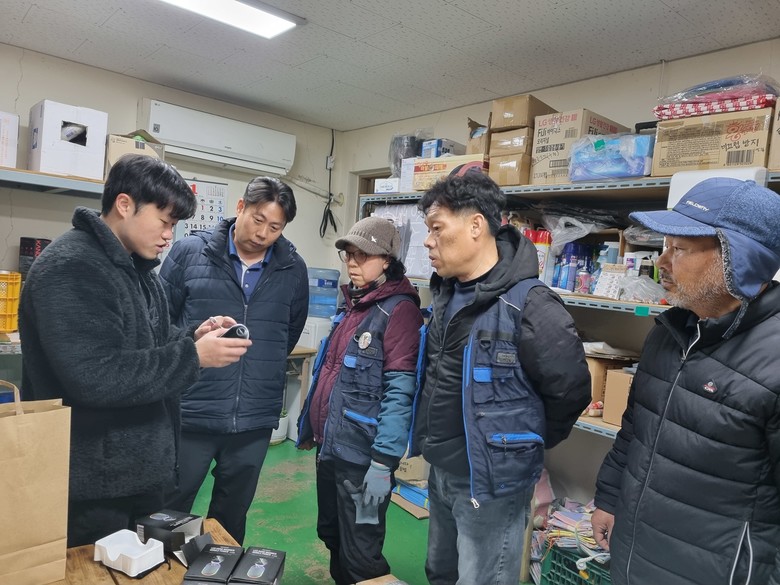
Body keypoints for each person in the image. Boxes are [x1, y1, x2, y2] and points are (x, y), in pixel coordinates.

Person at [18, 154, 251, 547]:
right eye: (164, 221)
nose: (169, 236)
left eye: (174, 225)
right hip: (91, 487)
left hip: (136, 476)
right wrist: (194, 357)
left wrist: (192, 337)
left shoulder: (138, 270)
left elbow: (148, 345)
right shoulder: (73, 267)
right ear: (124, 205)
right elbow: (96, 376)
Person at [592, 177, 780, 585]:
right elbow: (635, 429)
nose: (662, 262)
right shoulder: (671, 331)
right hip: (634, 555)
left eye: (678, 249)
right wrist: (608, 497)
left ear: (737, 259)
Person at [409, 171, 591, 585]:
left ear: (476, 226)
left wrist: (518, 446)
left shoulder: (530, 304)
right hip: (441, 470)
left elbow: (570, 390)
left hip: (493, 482)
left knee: (484, 578)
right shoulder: (444, 294)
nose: (428, 241)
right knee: (440, 572)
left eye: (437, 228)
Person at [160, 176, 308, 544]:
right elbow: (161, 323)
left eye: (275, 227)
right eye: (258, 220)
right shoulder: (189, 253)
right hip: (192, 410)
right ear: (240, 207)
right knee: (169, 509)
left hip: (254, 419)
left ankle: (219, 569)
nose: (263, 234)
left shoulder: (293, 268)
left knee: (230, 516)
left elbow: (288, 333)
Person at [297, 216, 423, 585]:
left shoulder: (399, 311)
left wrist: (383, 462)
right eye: (349, 255)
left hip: (365, 461)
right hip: (331, 449)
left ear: (387, 261)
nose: (352, 263)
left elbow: (400, 391)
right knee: (332, 535)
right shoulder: (353, 305)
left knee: (362, 552)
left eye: (362, 255)